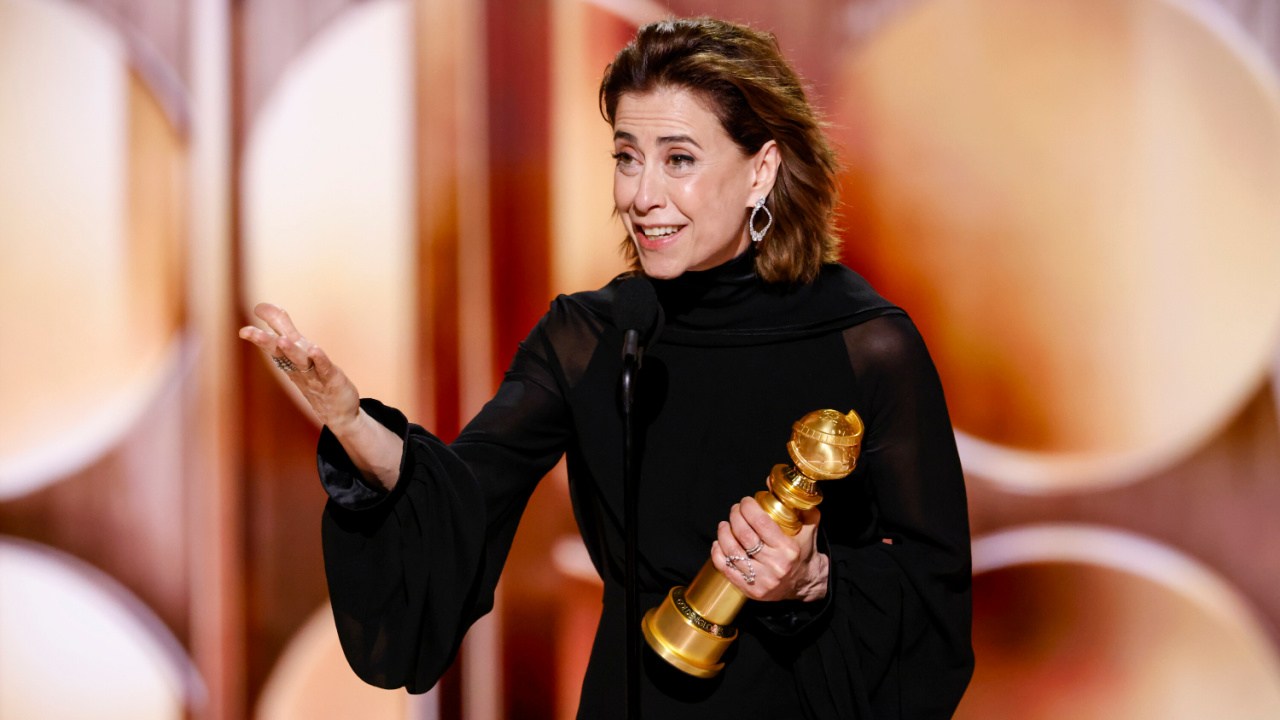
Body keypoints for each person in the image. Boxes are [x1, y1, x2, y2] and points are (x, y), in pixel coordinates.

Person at [240, 16, 973, 719]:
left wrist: (813, 581)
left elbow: (935, 599)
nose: (640, 195)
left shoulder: (867, 345)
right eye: (626, 156)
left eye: (679, 159)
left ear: (762, 172)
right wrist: (350, 421)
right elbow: (461, 497)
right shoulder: (590, 337)